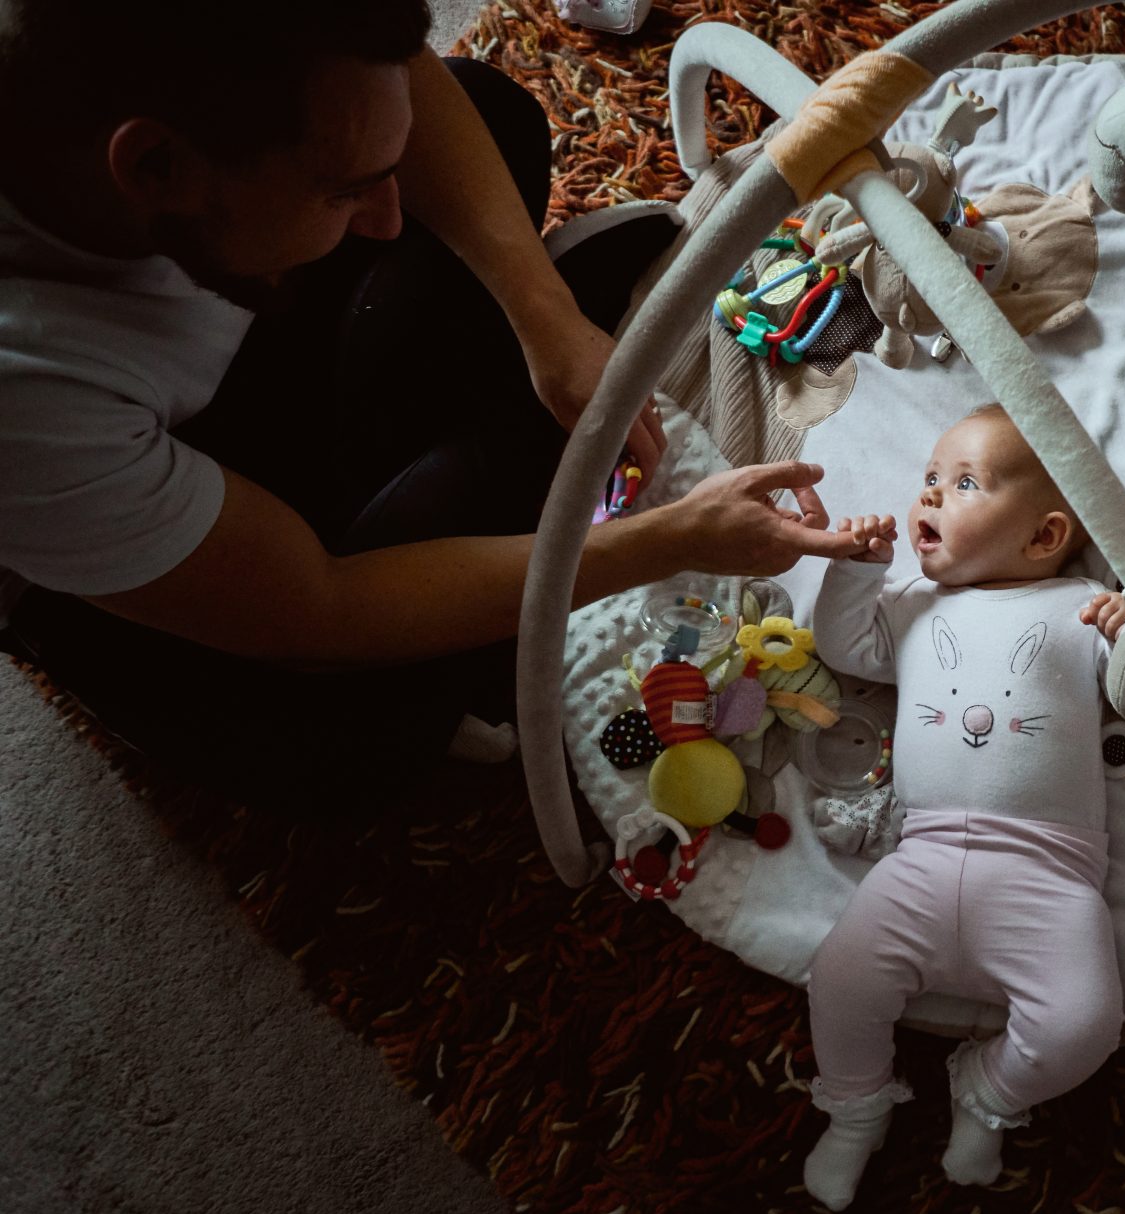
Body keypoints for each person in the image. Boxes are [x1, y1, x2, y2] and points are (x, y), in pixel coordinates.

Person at [0, 0, 856, 813]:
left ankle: (481, 405)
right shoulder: (28, 407)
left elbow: (401, 75)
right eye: (342, 191)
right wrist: (666, 542)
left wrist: (545, 318)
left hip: (206, 341)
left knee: (488, 113)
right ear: (155, 167)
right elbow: (319, 608)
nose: (382, 216)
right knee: (347, 747)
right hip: (127, 559)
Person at [800, 403, 1125, 1209]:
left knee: (1084, 1023)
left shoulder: (1083, 605)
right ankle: (855, 1111)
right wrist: (856, 570)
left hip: (1047, 878)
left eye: (963, 483)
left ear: (1042, 537)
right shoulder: (911, 604)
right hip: (916, 863)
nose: (928, 498)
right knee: (839, 979)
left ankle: (989, 1091)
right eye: (927, 479)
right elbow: (843, 648)